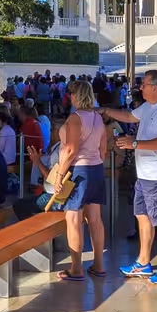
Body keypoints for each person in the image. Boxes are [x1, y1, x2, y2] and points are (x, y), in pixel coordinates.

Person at [99, 69, 157, 284]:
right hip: (145, 175)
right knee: (142, 216)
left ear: (155, 87)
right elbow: (129, 116)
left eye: (144, 84)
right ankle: (143, 262)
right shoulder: (148, 107)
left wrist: (134, 143)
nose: (140, 87)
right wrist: (106, 111)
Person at [49, 78, 110, 279]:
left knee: (73, 218)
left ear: (76, 95)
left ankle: (76, 268)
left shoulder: (75, 118)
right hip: (96, 169)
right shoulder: (98, 118)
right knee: (95, 219)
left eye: (71, 94)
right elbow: (103, 150)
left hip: (77, 171)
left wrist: (59, 176)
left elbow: (70, 149)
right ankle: (99, 265)